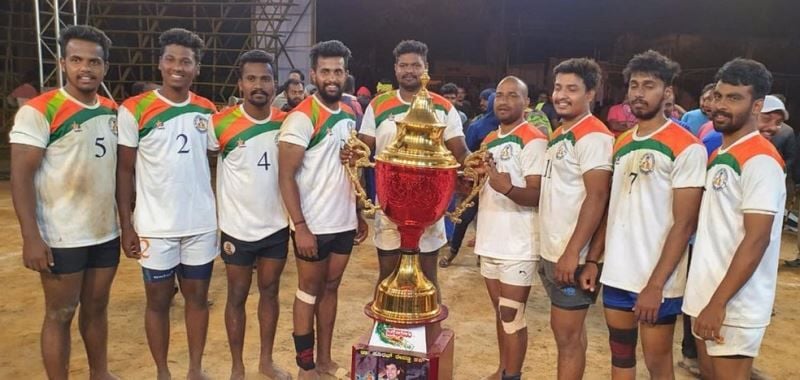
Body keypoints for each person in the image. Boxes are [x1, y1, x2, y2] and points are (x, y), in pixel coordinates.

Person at [10, 24, 119, 380]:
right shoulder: (40, 110)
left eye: (94, 61)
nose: (85, 68)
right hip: (61, 235)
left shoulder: (110, 109)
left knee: (97, 308)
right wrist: (31, 236)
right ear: (62, 63)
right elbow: (21, 177)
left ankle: (99, 374)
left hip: (104, 231)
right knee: (60, 314)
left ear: (104, 67)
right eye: (76, 59)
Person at [116, 28, 218, 380]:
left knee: (197, 300)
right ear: (160, 64)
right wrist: (126, 225)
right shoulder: (134, 110)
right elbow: (124, 171)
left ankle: (194, 369)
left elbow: (219, 160)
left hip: (201, 226)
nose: (178, 67)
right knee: (158, 303)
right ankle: (162, 371)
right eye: (171, 59)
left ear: (196, 68)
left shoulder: (207, 110)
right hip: (155, 228)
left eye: (186, 61)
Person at [599, 50, 706, 379]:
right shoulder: (620, 143)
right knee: (621, 356)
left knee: (658, 363)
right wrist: (594, 260)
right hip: (617, 272)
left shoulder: (687, 147)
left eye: (649, 85)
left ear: (668, 92)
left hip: (656, 279)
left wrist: (655, 285)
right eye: (634, 85)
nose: (639, 93)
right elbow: (612, 208)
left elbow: (684, 223)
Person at [683, 58, 785, 380]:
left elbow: (757, 238)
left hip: (734, 304)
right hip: (707, 293)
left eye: (734, 98)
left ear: (756, 106)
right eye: (719, 96)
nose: (721, 106)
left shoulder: (761, 160)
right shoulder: (721, 153)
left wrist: (718, 302)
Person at [348, 39, 469, 302]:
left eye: (416, 65)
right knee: (387, 277)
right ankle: (386, 338)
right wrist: (352, 152)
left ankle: (429, 336)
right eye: (404, 65)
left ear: (426, 69)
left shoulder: (442, 107)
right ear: (395, 69)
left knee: (427, 278)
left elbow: (459, 151)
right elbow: (364, 148)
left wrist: (474, 163)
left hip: (429, 208)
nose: (409, 70)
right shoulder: (378, 105)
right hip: (390, 207)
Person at [278, 40, 367, 380]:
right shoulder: (302, 117)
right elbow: (285, 176)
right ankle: (306, 367)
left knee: (331, 289)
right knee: (308, 291)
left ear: (346, 74)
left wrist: (357, 210)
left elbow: (348, 167)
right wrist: (299, 225)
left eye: (338, 71)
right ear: (314, 73)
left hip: (343, 220)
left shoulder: (348, 113)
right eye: (326, 71)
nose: (332, 77)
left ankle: (326, 360)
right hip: (312, 223)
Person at [207, 49, 291, 380]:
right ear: (240, 83)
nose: (259, 85)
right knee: (237, 296)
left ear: (275, 84)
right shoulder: (219, 124)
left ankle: (266, 362)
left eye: (266, 78)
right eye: (252, 78)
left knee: (270, 292)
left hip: (275, 226)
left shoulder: (287, 125)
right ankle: (237, 367)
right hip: (236, 229)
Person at [537, 57, 613, 379]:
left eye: (572, 88)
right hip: (554, 250)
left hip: (572, 256)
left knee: (566, 337)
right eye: (558, 87)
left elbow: (598, 197)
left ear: (591, 94)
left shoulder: (594, 136)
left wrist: (574, 253)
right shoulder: (561, 132)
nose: (561, 95)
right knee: (571, 336)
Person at [475, 77, 547, 380]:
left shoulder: (534, 139)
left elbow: (537, 195)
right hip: (489, 238)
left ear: (526, 103)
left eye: (512, 95)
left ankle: (512, 376)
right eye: (499, 95)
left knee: (511, 314)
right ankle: (504, 368)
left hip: (519, 243)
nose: (503, 101)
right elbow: (483, 186)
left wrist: (507, 189)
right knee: (500, 312)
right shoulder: (489, 138)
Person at [441, 93, 499, 268]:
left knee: (490, 219)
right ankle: (452, 252)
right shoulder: (478, 126)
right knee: (465, 216)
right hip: (475, 182)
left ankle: (483, 254)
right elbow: (465, 152)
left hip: (500, 184)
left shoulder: (510, 129)